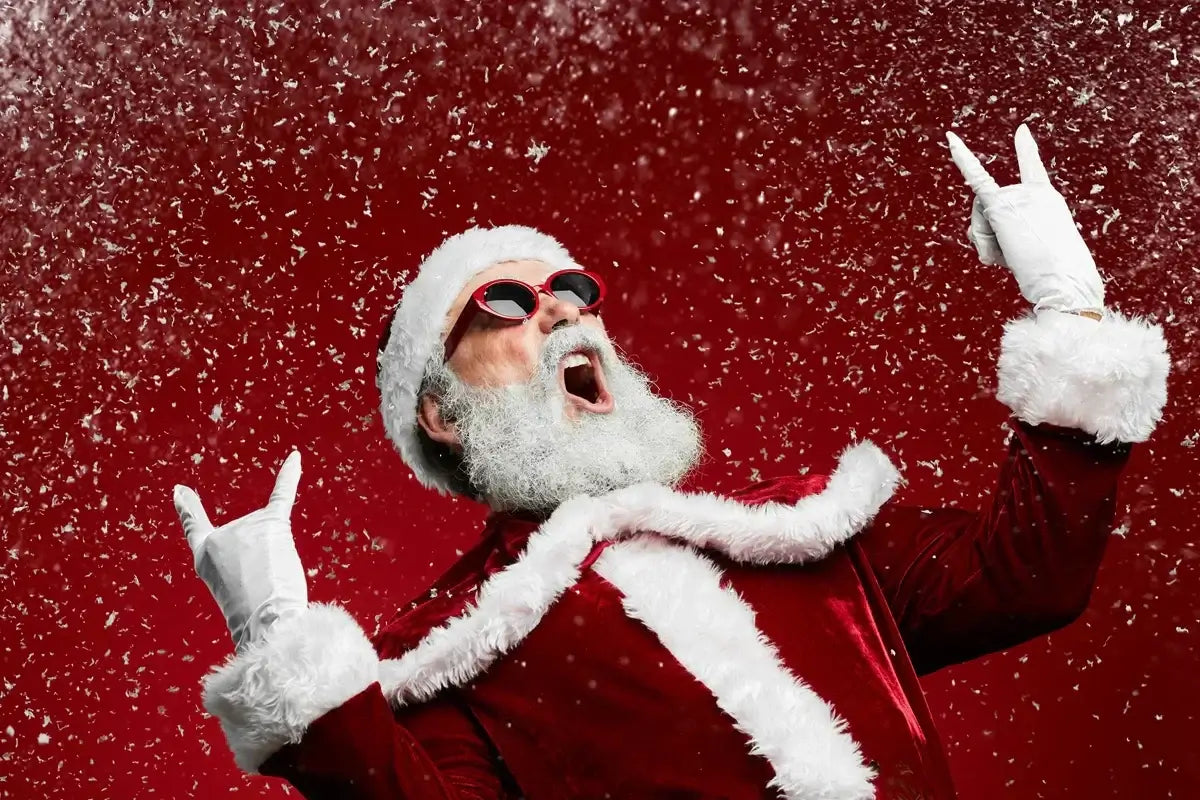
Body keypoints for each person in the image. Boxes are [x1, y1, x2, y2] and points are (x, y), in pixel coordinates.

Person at [173, 125, 1170, 799]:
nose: (563, 305)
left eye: (571, 286)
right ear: (440, 407)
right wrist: (277, 636)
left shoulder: (800, 531)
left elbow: (1027, 573)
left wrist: (1069, 309)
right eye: (505, 302)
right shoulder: (455, 648)